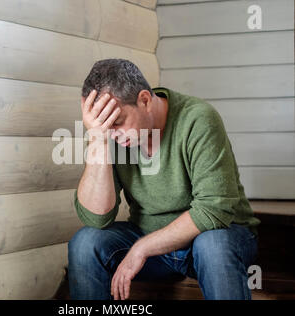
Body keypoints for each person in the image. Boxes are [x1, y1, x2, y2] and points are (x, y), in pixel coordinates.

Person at [68, 58, 261, 300]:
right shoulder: (110, 137)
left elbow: (214, 210)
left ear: (145, 100)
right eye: (106, 128)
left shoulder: (198, 118)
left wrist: (142, 248)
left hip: (216, 238)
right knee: (85, 243)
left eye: (118, 123)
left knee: (212, 245)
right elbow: (96, 218)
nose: (114, 135)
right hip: (152, 244)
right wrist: (98, 139)